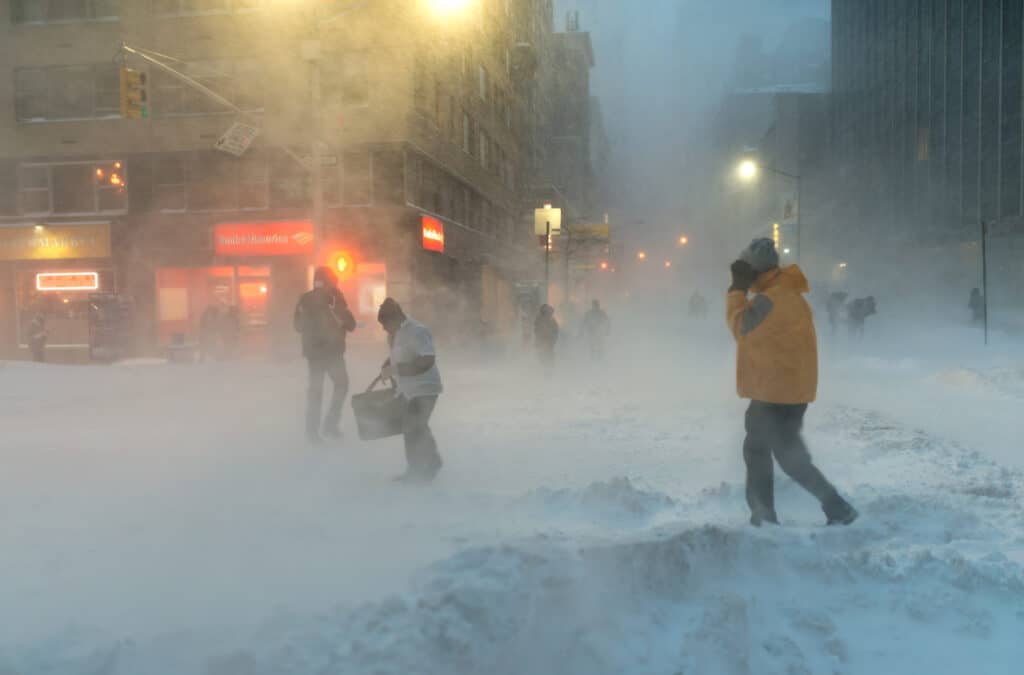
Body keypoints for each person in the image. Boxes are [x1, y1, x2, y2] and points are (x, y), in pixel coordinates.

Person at [727, 237, 858, 527]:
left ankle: (764, 515)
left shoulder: (770, 299)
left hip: (774, 392)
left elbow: (741, 328)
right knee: (788, 455)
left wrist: (736, 290)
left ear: (754, 269)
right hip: (790, 390)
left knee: (759, 450)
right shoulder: (786, 291)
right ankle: (836, 507)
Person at [377, 298, 444, 483]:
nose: (384, 329)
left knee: (412, 426)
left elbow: (427, 360)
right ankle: (430, 462)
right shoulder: (395, 334)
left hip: (425, 388)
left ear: (397, 317)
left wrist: (398, 370)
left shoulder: (418, 331)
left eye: (385, 324)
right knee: (416, 426)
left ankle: (420, 468)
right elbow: (398, 356)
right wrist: (387, 364)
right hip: (408, 390)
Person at [294, 266, 357, 444]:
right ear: (330, 282)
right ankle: (330, 423)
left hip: (314, 354)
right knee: (341, 385)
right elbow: (351, 324)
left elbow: (297, 326)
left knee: (316, 392)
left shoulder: (304, 300)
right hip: (332, 353)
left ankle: (313, 433)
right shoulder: (335, 299)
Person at [534, 304, 559, 371]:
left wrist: (553, 340)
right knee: (543, 357)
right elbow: (537, 331)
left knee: (548, 357)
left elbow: (555, 332)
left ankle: (548, 371)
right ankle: (545, 370)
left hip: (548, 342)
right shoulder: (539, 320)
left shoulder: (551, 320)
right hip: (543, 342)